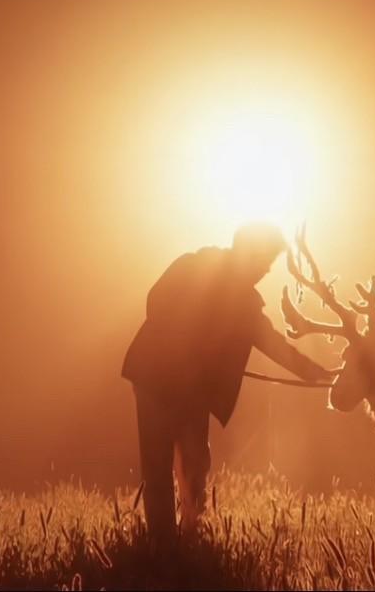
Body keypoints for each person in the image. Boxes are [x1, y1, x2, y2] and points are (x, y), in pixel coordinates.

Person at [121, 222, 332, 542]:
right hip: (155, 380)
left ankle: (190, 533)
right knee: (157, 466)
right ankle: (163, 544)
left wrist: (316, 373)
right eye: (263, 261)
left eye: (268, 265)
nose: (264, 270)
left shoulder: (246, 305)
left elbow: (274, 344)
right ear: (245, 252)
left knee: (195, 462)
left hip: (190, 391)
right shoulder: (191, 267)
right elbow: (157, 303)